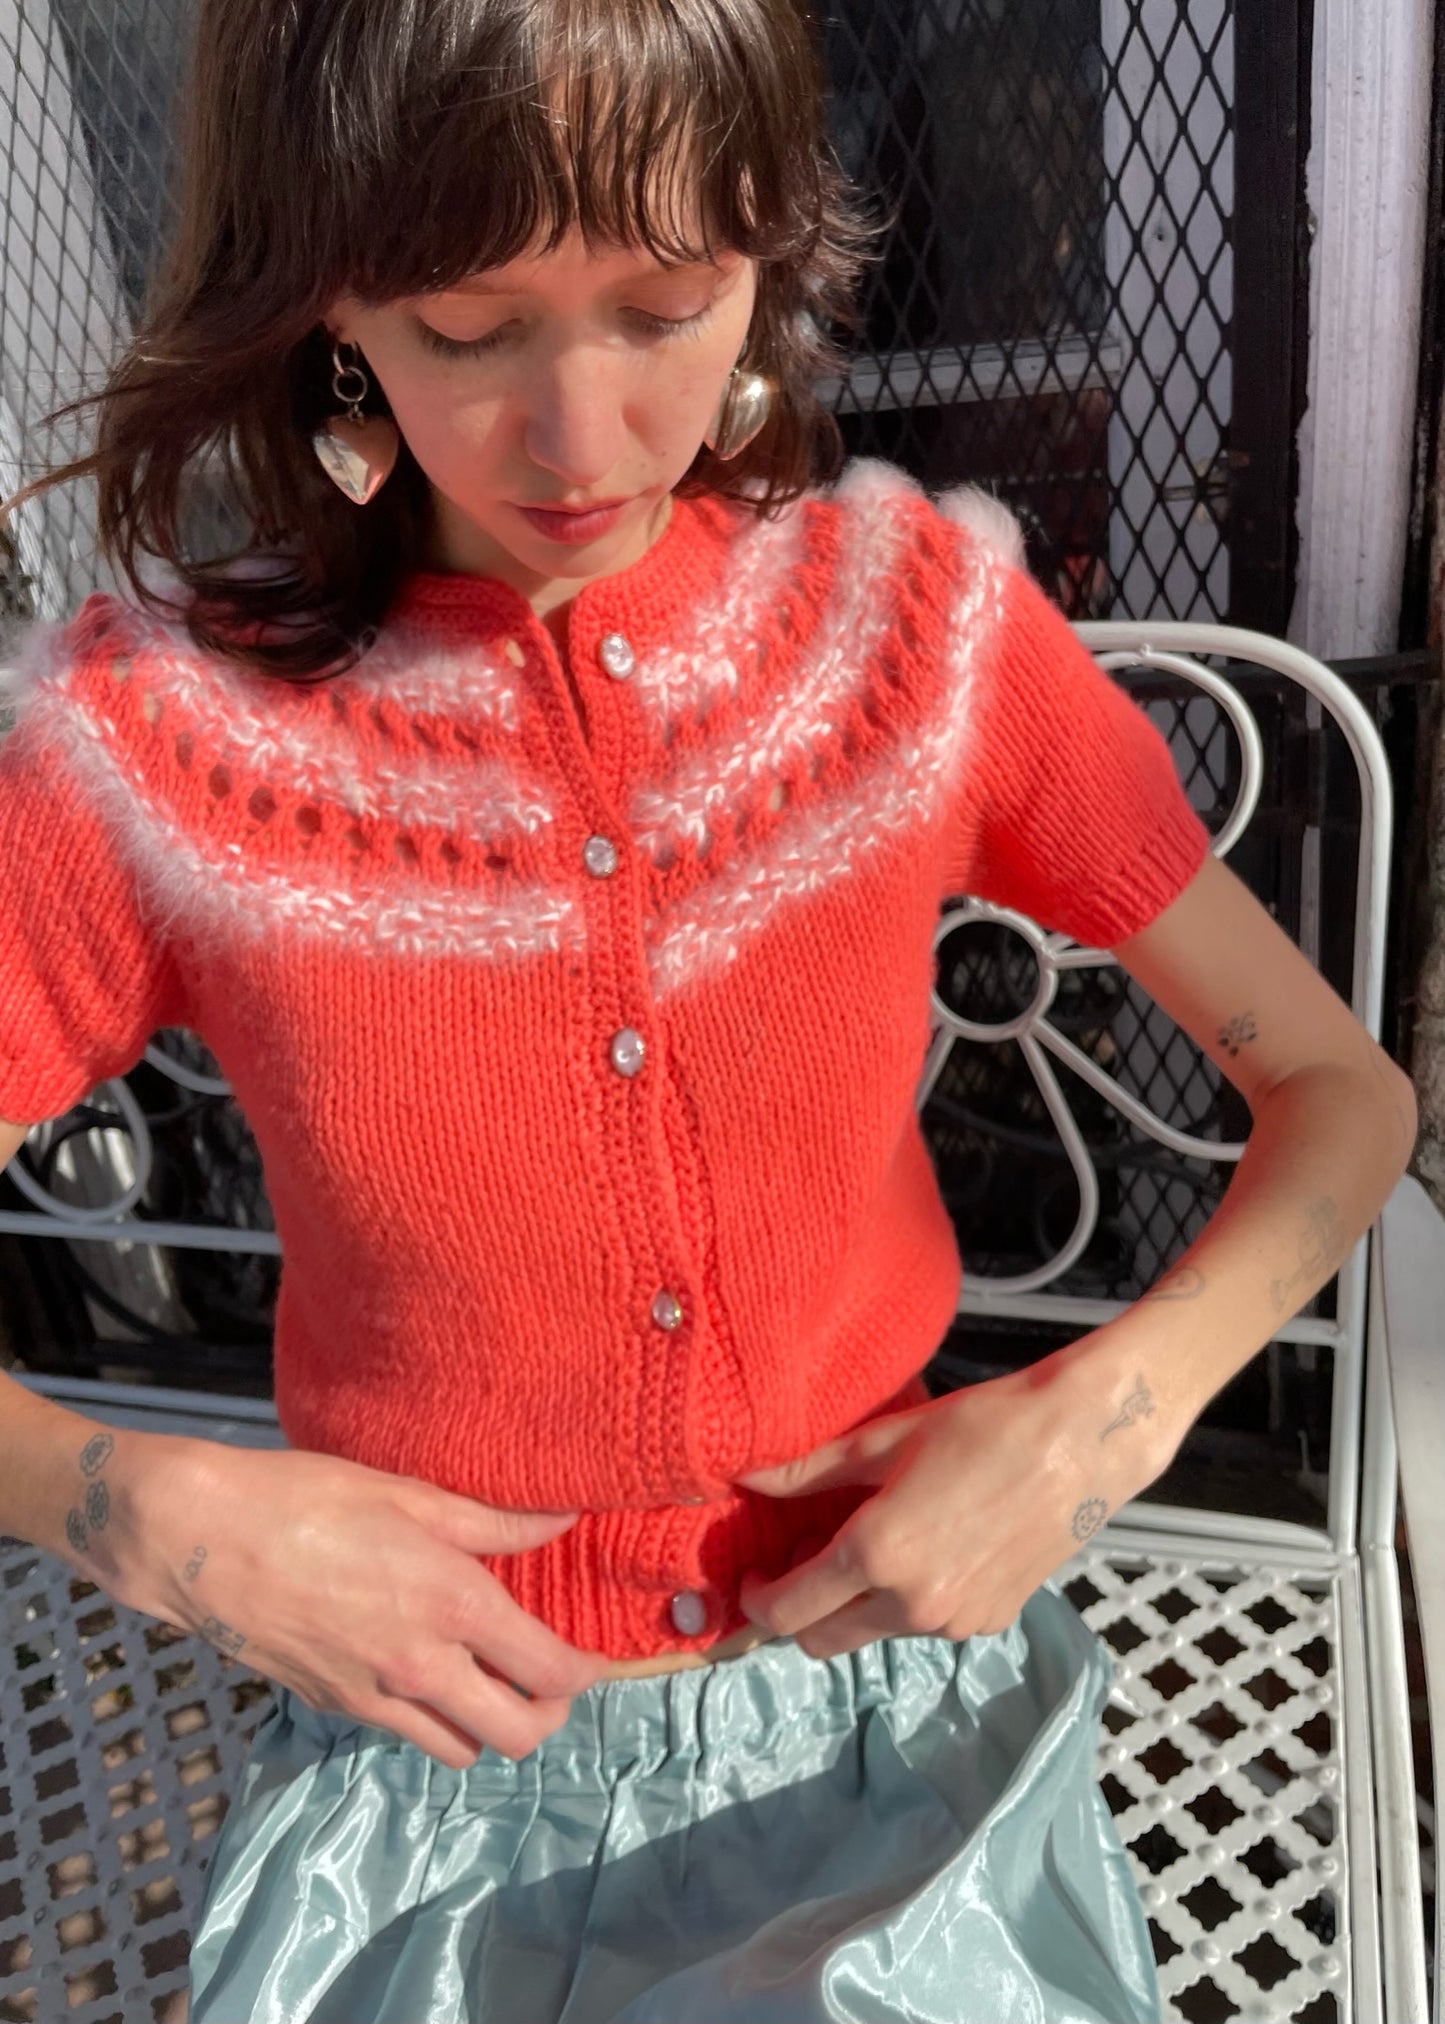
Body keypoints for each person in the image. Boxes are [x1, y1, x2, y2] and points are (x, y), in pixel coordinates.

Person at [0, 1, 1415, 2019]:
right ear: (326, 304)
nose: (579, 441)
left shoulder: (912, 635)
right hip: (425, 1776)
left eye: (665, 302)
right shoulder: (164, 752)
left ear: (769, 251)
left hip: (900, 1730)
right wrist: (136, 1513)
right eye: (467, 328)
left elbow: (1338, 1091)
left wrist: (1106, 1417)